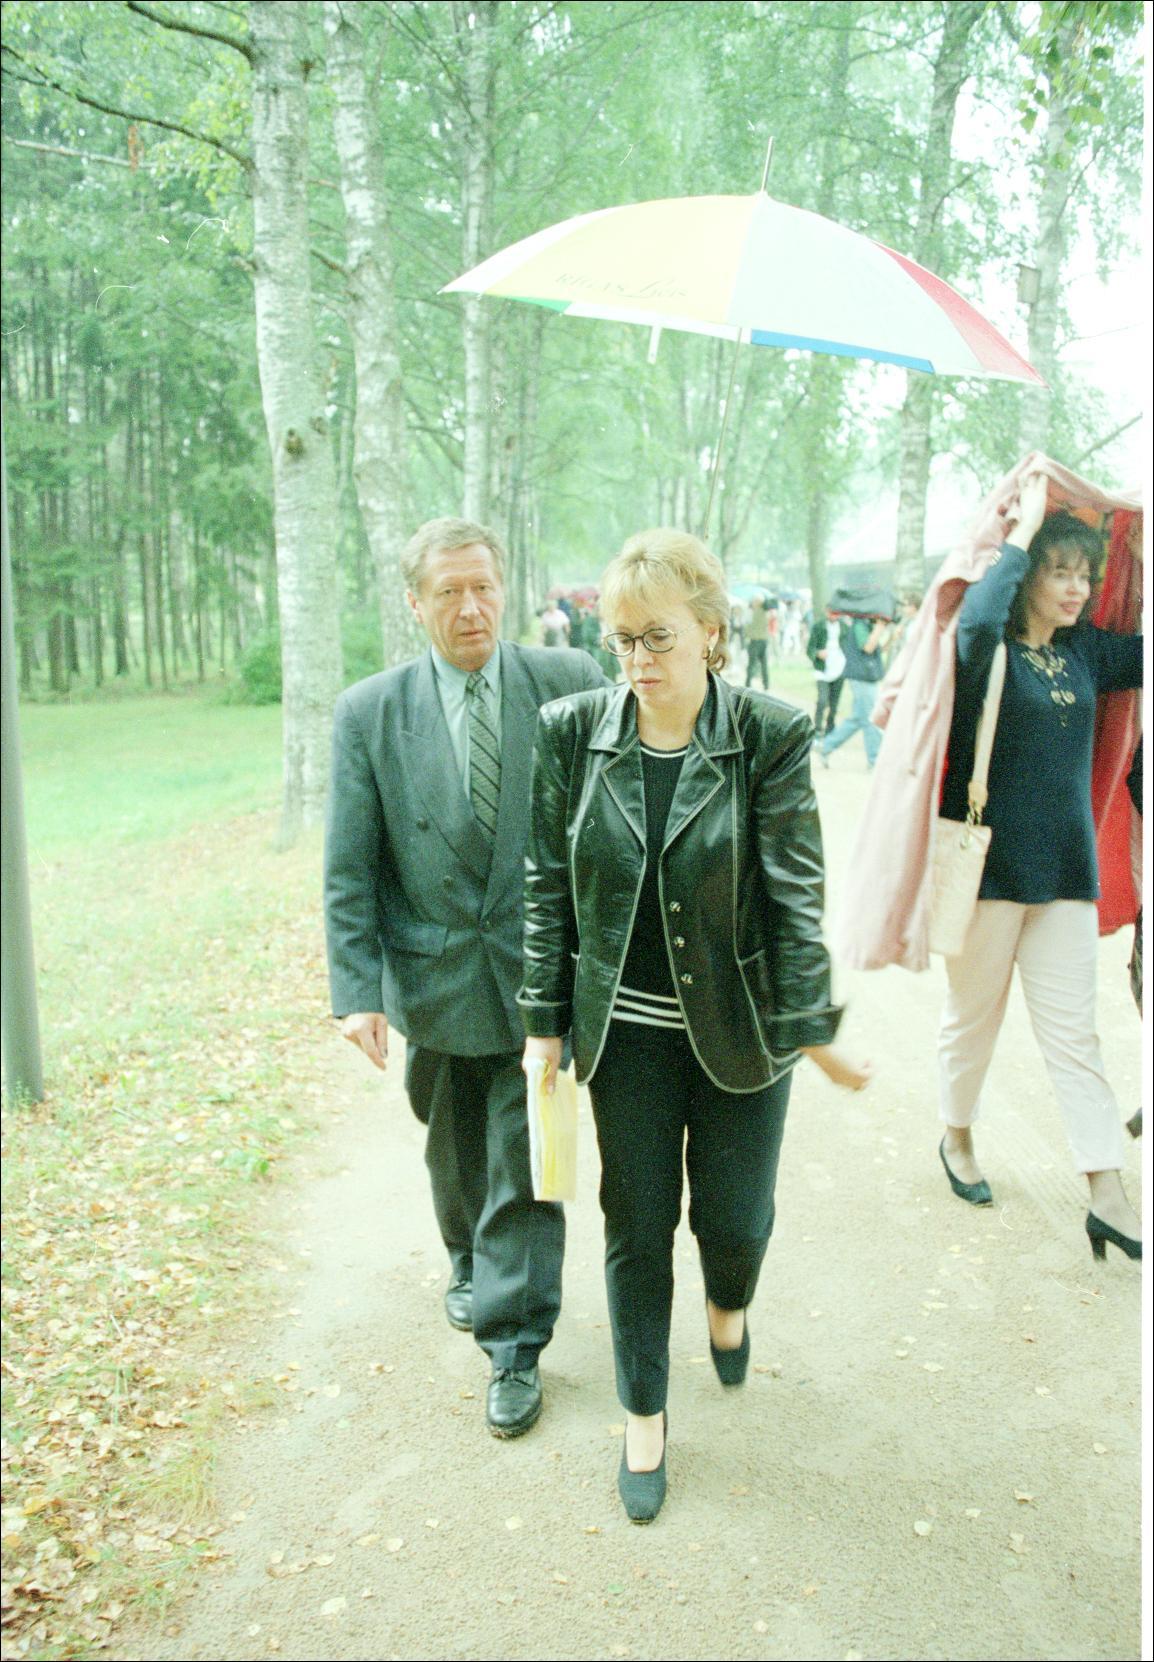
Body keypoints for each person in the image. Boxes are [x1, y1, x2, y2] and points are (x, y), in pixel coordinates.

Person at [518, 529, 870, 1523]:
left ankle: (728, 1302)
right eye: (621, 639)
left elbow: (795, 895)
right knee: (635, 1227)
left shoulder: (769, 734)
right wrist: (542, 1022)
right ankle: (643, 1414)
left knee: (735, 1220)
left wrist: (812, 1027)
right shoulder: (569, 732)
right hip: (623, 1036)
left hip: (741, 1032)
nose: (637, 659)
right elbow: (545, 885)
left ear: (711, 632)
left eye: (657, 637)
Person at [324, 517, 606, 1439]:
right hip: (435, 979)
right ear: (416, 604)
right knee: (453, 1148)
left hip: (543, 981)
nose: (471, 607)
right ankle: (467, 1255)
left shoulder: (569, 681)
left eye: (483, 586)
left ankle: (514, 1343)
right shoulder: (370, 712)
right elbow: (350, 866)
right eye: (449, 592)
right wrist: (357, 992)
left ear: (504, 587)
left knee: (525, 1161)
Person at [935, 475, 1142, 1261]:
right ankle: (956, 1137)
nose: (1077, 588)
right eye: (1060, 572)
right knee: (973, 1022)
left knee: (1075, 1037)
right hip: (988, 873)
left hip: (1066, 875)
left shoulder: (1085, 649)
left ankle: (1107, 1193)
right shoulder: (987, 650)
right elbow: (978, 615)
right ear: (1027, 577)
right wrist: (1021, 532)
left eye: (1084, 574)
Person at [816, 612, 888, 769]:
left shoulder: (866, 625)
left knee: (858, 718)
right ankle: (875, 759)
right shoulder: (860, 625)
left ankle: (825, 747)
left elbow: (878, 648)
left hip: (866, 677)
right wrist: (880, 627)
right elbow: (868, 647)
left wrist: (890, 635)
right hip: (861, 677)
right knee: (870, 718)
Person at [806, 605, 846, 738]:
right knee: (822, 700)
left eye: (836, 613)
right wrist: (817, 653)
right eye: (831, 612)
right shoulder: (818, 626)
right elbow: (810, 648)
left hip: (839, 667)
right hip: (822, 669)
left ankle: (830, 727)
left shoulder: (845, 627)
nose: (834, 615)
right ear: (826, 612)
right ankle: (817, 727)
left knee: (834, 702)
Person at [744, 595, 770, 689]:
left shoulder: (752, 613)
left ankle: (748, 683)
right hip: (764, 640)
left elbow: (747, 627)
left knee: (751, 663)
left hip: (755, 641)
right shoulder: (766, 612)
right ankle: (766, 684)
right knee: (764, 663)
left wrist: (747, 633)